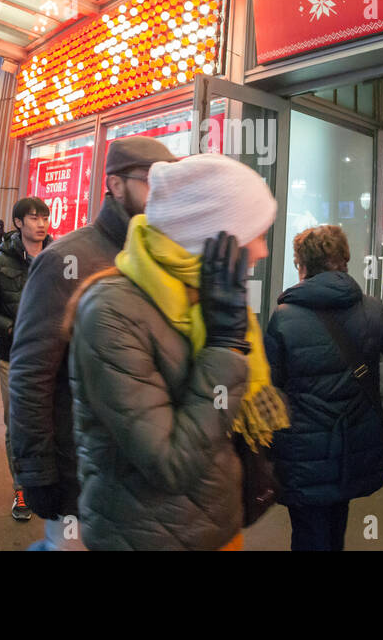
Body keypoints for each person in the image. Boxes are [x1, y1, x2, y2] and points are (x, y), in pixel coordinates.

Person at [68, 152, 288, 550]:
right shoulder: (112, 312)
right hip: (145, 537)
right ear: (209, 240)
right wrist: (224, 348)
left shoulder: (204, 300)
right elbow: (170, 464)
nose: (262, 252)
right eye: (254, 235)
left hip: (216, 528)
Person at [8, 136, 175, 550]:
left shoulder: (168, 258)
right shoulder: (68, 260)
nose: (165, 193)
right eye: (153, 180)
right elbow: (31, 373)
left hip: (148, 474)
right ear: (116, 185)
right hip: (78, 474)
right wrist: (37, 470)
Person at [264, 224, 383, 551]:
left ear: (302, 265)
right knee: (336, 527)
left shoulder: (284, 317)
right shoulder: (372, 309)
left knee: (309, 534)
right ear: (345, 261)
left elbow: (269, 390)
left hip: (302, 452)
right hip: (354, 446)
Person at [0, 196, 52, 521]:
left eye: (44, 217)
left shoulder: (59, 257)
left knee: (49, 422)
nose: (41, 223)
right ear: (18, 222)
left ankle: (47, 483)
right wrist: (8, 328)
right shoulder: (0, 263)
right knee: (17, 423)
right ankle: (21, 488)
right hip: (13, 356)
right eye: (34, 217)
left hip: (52, 356)